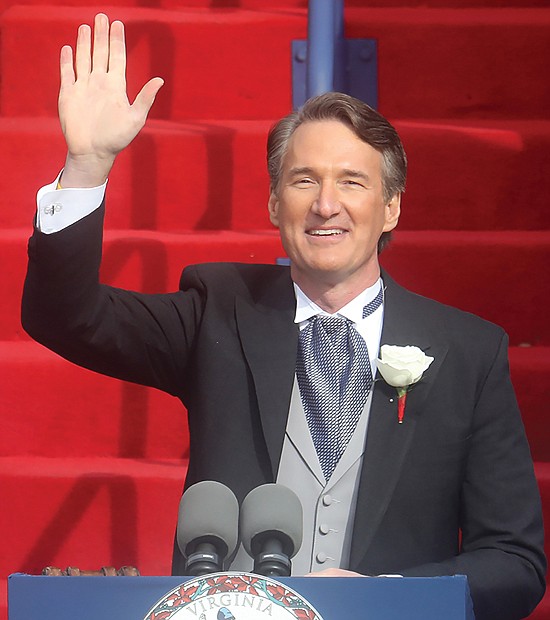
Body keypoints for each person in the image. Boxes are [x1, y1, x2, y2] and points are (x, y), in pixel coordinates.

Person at [21, 13, 546, 620]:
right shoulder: (219, 313)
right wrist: (86, 165)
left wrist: (393, 593)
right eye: (304, 180)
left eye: (352, 182)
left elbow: (514, 562)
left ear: (391, 207)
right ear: (275, 202)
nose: (326, 204)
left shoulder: (469, 352)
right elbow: (65, 316)